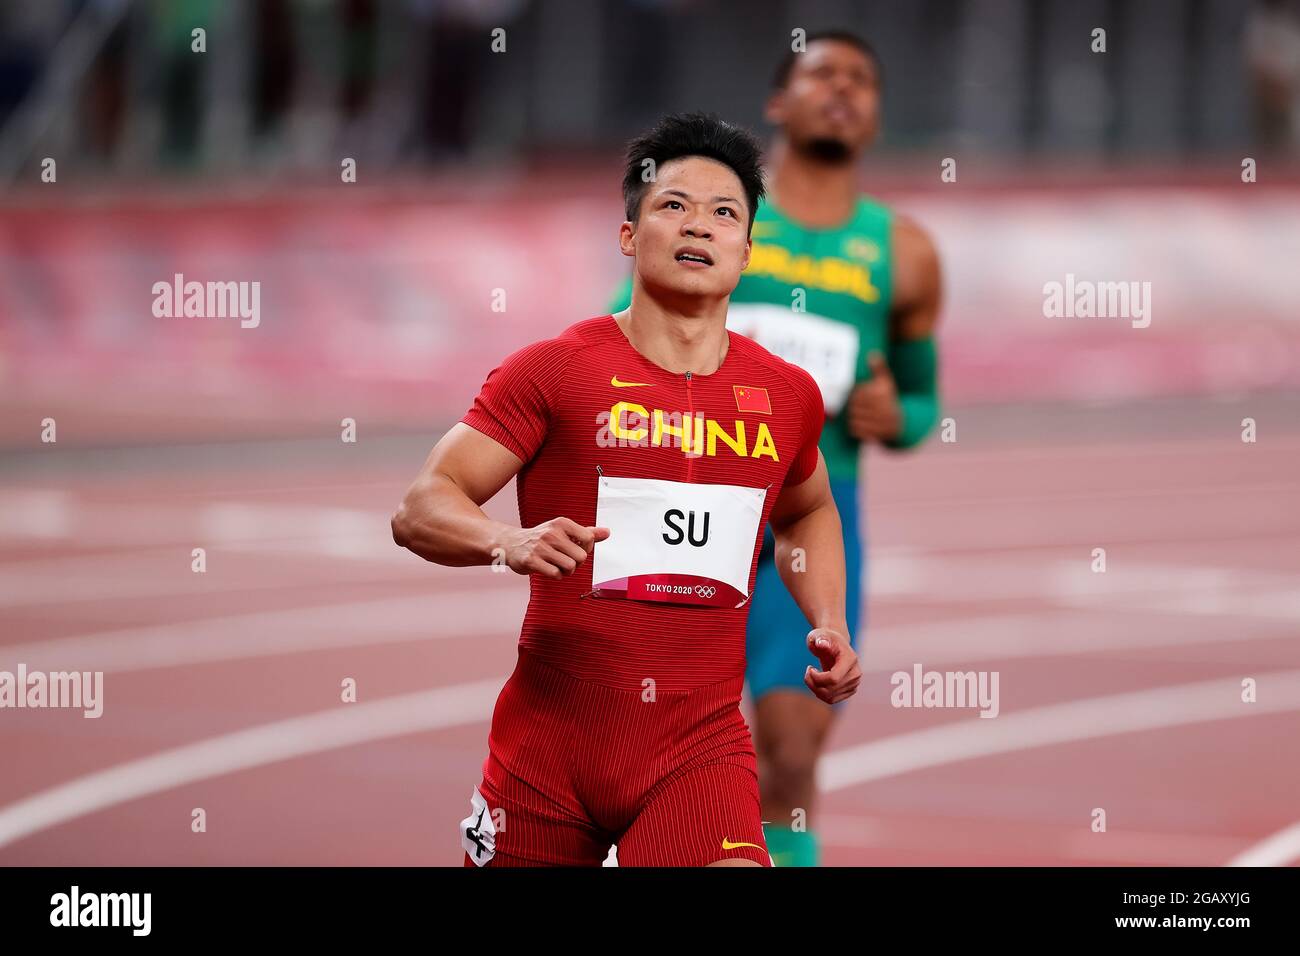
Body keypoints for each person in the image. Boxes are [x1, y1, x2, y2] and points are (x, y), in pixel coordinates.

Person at [391, 112, 860, 867]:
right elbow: (422, 505)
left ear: (747, 250)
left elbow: (806, 511)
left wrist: (830, 619)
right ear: (628, 234)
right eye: (673, 205)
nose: (698, 225)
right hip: (548, 749)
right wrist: (506, 541)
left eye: (724, 212)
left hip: (697, 748)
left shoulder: (784, 394)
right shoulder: (552, 371)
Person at [607, 31, 943, 867]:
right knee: (641, 751)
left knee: (791, 756)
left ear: (875, 115)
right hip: (688, 506)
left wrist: (891, 414)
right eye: (821, 72)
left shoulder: (903, 251)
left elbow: (924, 403)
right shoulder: (718, 218)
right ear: (776, 104)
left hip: (814, 518)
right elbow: (619, 335)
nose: (843, 89)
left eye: (862, 79)